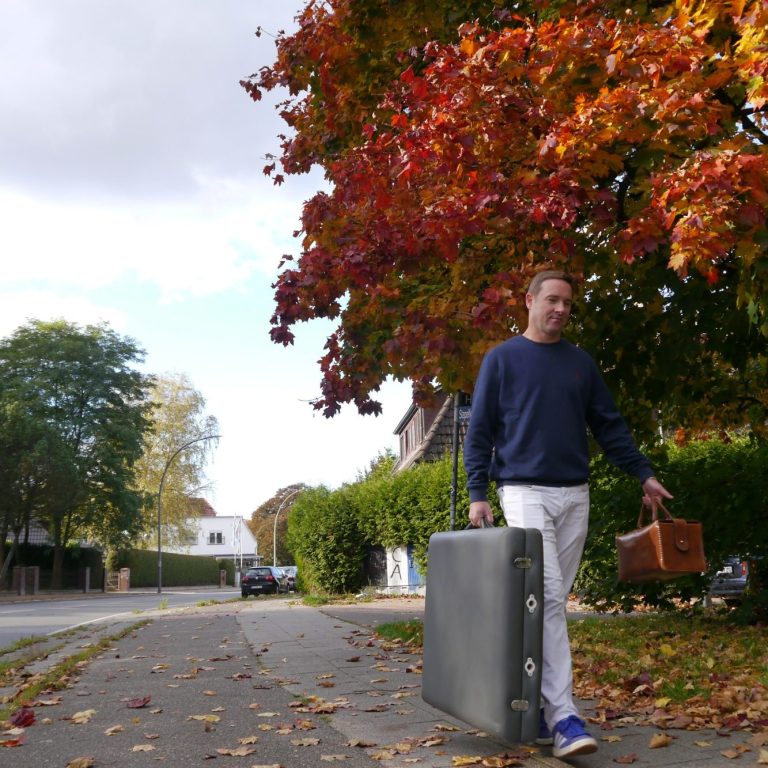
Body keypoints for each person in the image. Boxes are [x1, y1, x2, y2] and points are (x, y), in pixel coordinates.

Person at [464, 270, 672, 760]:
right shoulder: (502, 359)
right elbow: (480, 430)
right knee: (551, 597)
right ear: (529, 300)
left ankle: (536, 709)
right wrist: (478, 492)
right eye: (552, 300)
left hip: (575, 493)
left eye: (568, 304)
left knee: (543, 605)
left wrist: (643, 474)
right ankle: (564, 717)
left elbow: (609, 425)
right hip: (522, 489)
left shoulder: (580, 363)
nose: (560, 309)